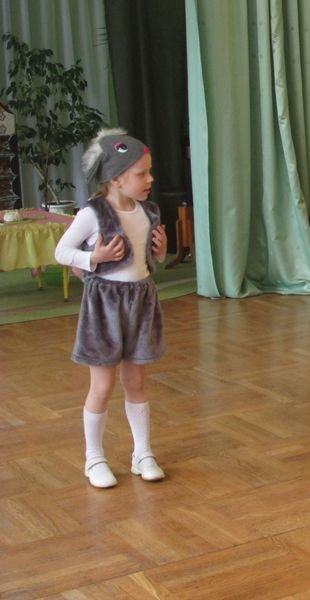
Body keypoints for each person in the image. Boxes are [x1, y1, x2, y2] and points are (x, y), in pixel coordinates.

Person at [55, 128, 168, 488]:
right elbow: (61, 252)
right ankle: (94, 458)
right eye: (142, 173)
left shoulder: (148, 211)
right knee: (102, 386)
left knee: (135, 382)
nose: (150, 179)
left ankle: (142, 452)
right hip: (104, 306)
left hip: (141, 302)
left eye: (149, 172)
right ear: (116, 178)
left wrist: (161, 251)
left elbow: (148, 261)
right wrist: (94, 257)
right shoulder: (93, 213)